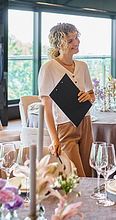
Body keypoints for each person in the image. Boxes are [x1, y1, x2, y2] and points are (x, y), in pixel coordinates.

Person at [38, 23, 95, 177]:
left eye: (76, 37)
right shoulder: (48, 68)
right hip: (65, 126)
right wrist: (54, 139)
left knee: (89, 174)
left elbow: (92, 95)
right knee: (77, 175)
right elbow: (46, 109)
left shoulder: (83, 66)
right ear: (58, 46)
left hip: (86, 123)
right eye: (70, 41)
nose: (76, 42)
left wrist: (88, 96)